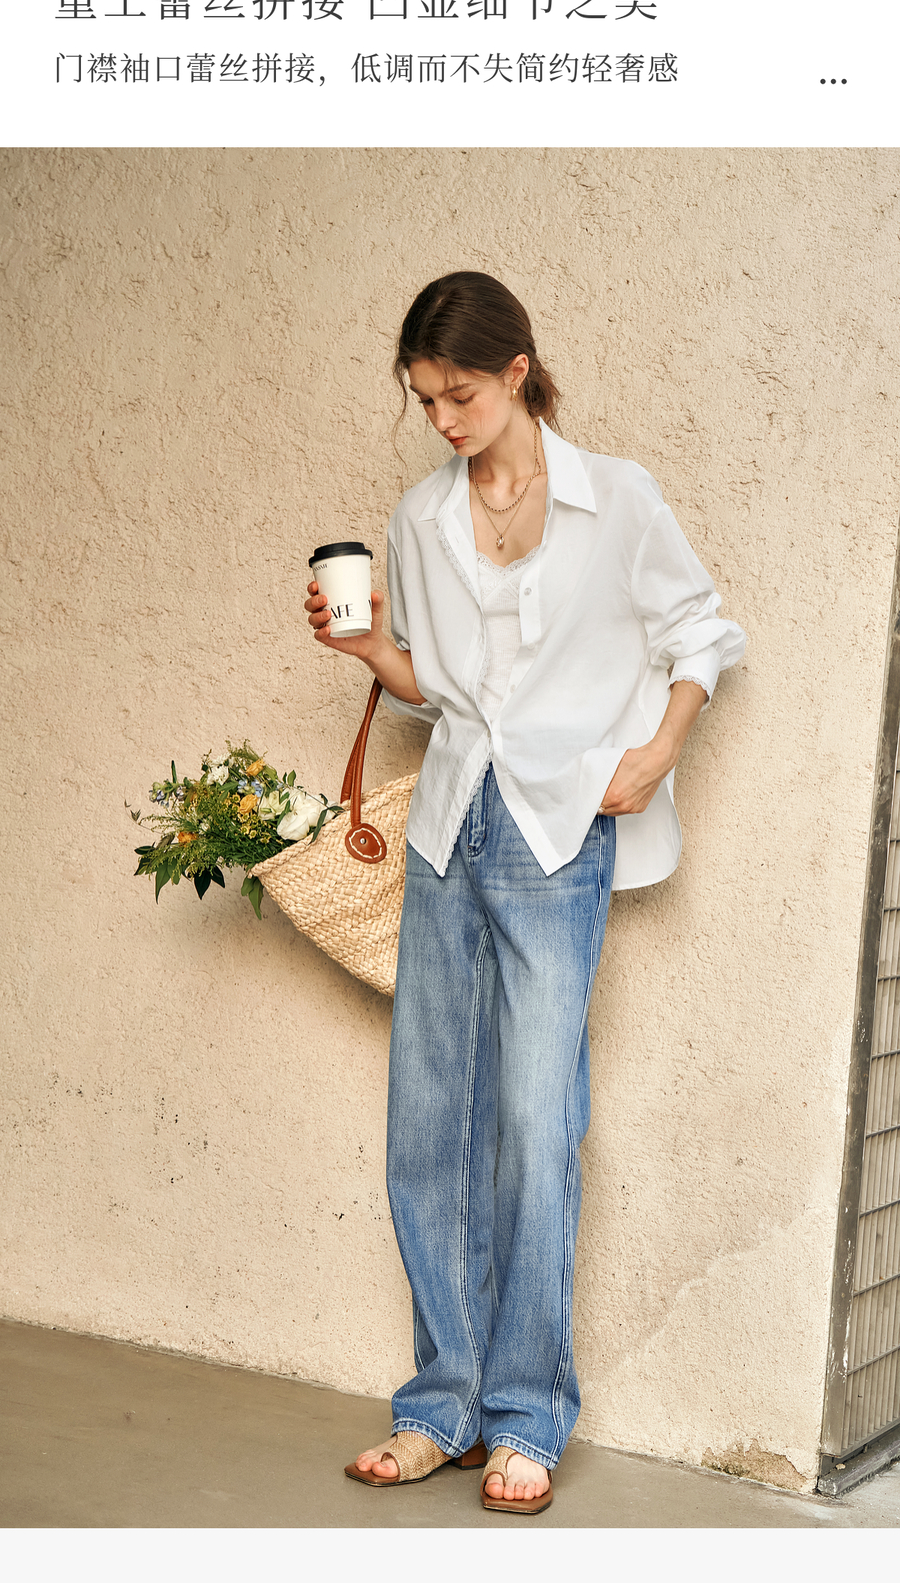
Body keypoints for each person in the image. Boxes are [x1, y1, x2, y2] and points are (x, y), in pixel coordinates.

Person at [305, 271, 745, 1515]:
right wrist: (366, 648)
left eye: (459, 393)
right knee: (428, 1123)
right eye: (424, 401)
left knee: (536, 1124)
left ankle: (527, 1415)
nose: (443, 420)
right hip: (451, 824)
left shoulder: (618, 500)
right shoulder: (419, 517)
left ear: (516, 369)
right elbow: (438, 688)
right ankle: (440, 1404)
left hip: (558, 831)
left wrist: (654, 754)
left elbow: (703, 632)